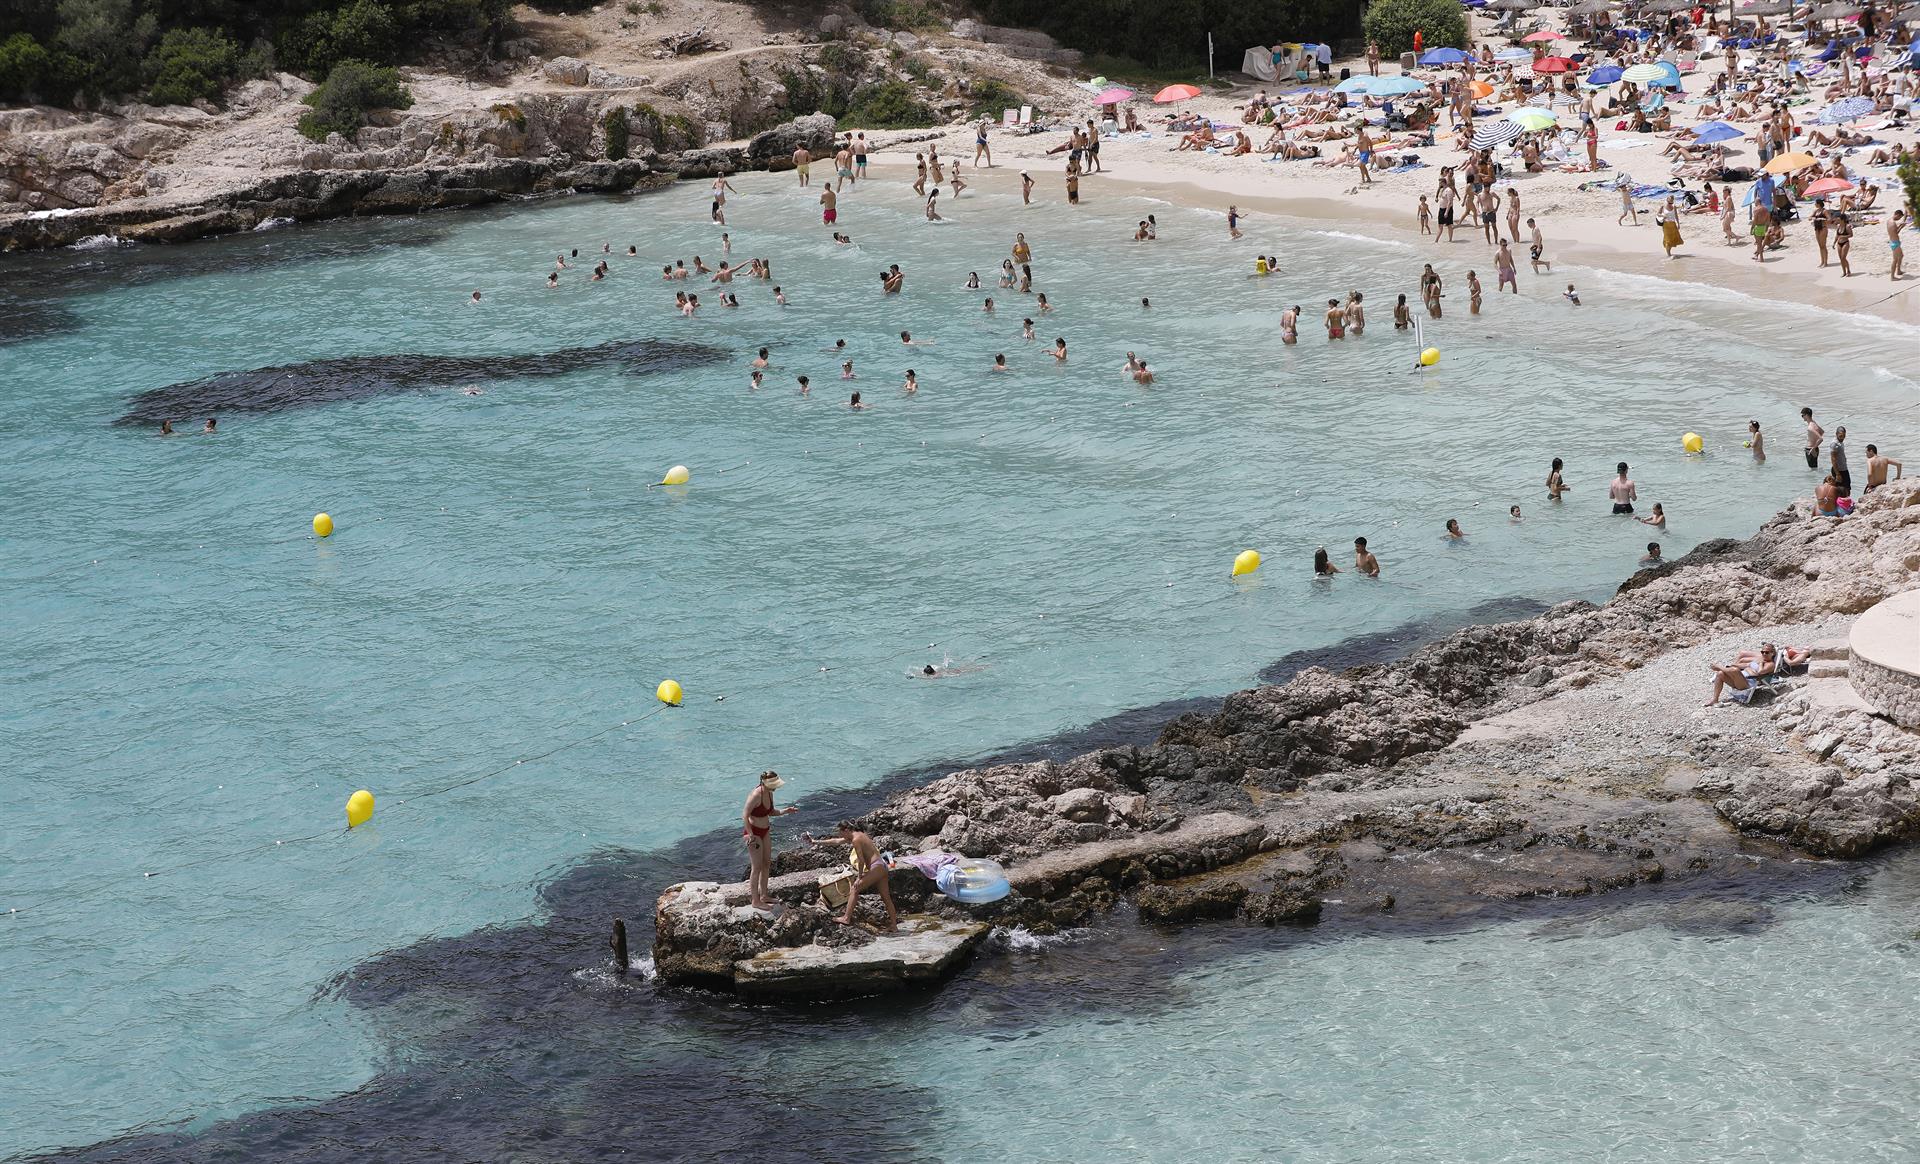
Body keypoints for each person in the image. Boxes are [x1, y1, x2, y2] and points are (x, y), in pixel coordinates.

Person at [805, 821, 897, 930]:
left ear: (847, 830)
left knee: (855, 888)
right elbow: (836, 841)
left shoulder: (856, 839)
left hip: (876, 867)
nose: (840, 835)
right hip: (881, 866)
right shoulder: (858, 834)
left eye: (841, 832)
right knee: (886, 898)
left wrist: (859, 877)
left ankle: (846, 918)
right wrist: (815, 841)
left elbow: (861, 860)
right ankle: (894, 926)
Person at [742, 771, 796, 912]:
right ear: (764, 782)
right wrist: (751, 835)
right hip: (753, 833)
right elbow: (745, 815)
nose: (775, 787)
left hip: (765, 830)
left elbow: (770, 812)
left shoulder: (770, 793)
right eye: (773, 785)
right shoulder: (756, 794)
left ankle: (764, 895)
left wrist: (786, 811)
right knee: (757, 867)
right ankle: (755, 900)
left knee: (767, 863)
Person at [1705, 652, 1769, 706]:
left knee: (1735, 670)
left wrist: (1754, 667)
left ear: (1772, 653)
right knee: (1720, 674)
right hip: (1741, 678)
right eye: (1762, 652)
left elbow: (1758, 674)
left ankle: (1719, 667)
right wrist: (1736, 665)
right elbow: (1747, 665)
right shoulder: (1760, 659)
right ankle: (1715, 699)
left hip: (1749, 682)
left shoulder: (1770, 664)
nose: (1764, 654)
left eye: (1767, 652)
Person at [1830, 425, 1851, 496]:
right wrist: (1837, 474)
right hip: (1839, 471)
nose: (1843, 438)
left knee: (1847, 488)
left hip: (1844, 469)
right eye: (1841, 436)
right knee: (1840, 490)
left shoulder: (1840, 442)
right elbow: (1833, 459)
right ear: (1836, 434)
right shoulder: (1834, 444)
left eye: (1844, 436)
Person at [1890, 209, 1908, 281]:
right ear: (1897, 215)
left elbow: (1894, 231)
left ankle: (1898, 271)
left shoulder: (1890, 221)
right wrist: (1901, 227)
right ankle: (1892, 277)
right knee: (1895, 260)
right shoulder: (1893, 223)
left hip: (1895, 242)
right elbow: (1896, 232)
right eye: (1899, 217)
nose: (1899, 219)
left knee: (1901, 256)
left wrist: (1900, 224)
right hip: (1895, 243)